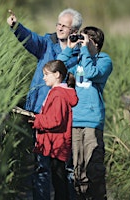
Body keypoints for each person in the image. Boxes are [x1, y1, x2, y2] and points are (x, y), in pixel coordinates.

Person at [7, 8, 83, 200]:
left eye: (64, 26)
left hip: (65, 117)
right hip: (40, 112)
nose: (59, 28)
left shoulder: (79, 53)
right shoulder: (47, 44)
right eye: (58, 24)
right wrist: (16, 27)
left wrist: (73, 49)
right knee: (41, 165)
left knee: (64, 167)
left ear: (74, 30)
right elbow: (30, 39)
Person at [57, 26, 113, 199]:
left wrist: (86, 51)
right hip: (74, 120)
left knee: (93, 168)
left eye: (85, 40)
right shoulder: (78, 60)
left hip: (92, 120)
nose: (81, 43)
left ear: (95, 43)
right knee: (78, 170)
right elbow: (57, 66)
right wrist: (70, 47)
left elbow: (91, 72)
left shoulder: (104, 60)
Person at [29, 60, 78, 200]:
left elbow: (56, 120)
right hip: (57, 143)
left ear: (57, 74)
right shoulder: (58, 93)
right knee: (59, 180)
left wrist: (36, 120)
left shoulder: (58, 94)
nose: (44, 77)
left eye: (46, 74)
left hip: (56, 144)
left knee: (59, 181)